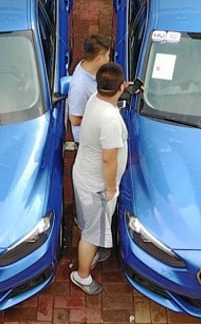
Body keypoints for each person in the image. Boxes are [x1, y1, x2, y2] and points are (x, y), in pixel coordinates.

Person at [70, 62, 129, 295]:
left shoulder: (95, 99)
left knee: (90, 222)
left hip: (83, 174)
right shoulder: (111, 120)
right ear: (120, 87)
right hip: (98, 186)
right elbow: (109, 159)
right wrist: (112, 188)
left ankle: (96, 248)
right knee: (91, 234)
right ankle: (82, 275)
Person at [67, 34, 112, 143]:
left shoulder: (89, 67)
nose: (109, 59)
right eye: (107, 55)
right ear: (99, 59)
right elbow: (75, 120)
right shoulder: (80, 87)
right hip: (90, 141)